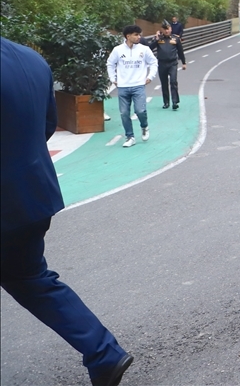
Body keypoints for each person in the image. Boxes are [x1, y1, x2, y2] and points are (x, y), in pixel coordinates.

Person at [1, 37, 134, 386]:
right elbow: (46, 127)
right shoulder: (30, 58)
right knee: (30, 278)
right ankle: (104, 353)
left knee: (29, 279)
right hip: (31, 196)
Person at [106, 25, 157, 148]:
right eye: (136, 35)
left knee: (140, 110)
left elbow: (154, 62)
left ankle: (144, 126)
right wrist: (113, 79)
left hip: (138, 85)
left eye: (139, 34)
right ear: (128, 36)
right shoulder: (118, 50)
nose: (139, 37)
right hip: (123, 86)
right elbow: (110, 64)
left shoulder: (144, 49)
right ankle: (130, 137)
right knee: (124, 113)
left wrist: (150, 76)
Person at [148, 21, 186, 110]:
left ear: (171, 29)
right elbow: (149, 48)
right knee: (164, 83)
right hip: (162, 64)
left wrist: (184, 63)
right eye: (164, 29)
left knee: (173, 82)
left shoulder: (175, 39)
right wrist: (156, 39)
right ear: (161, 29)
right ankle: (166, 102)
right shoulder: (158, 39)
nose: (166, 31)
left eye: (168, 29)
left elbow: (180, 51)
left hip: (172, 63)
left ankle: (175, 101)